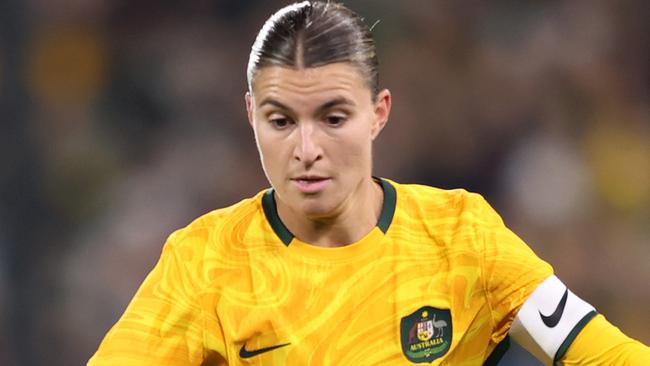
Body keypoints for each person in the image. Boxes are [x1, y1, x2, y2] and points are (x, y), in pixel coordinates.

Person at [88, 1, 650, 365]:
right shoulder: (204, 262)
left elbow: (607, 357)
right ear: (250, 116)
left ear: (378, 113)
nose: (307, 151)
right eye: (281, 121)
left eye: (333, 118)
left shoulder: (460, 236)